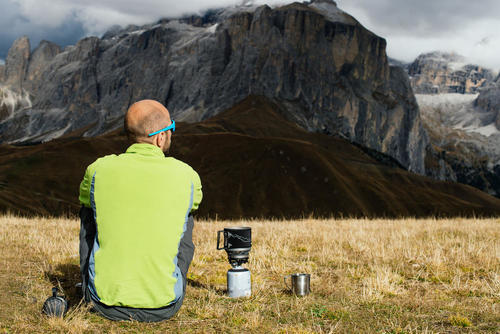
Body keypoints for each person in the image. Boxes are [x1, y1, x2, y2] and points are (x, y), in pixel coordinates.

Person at [78, 99, 202, 322]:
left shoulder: (97, 170)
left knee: (89, 208)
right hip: (165, 305)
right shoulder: (188, 176)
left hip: (101, 304)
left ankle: (93, 281)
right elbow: (195, 204)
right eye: (171, 127)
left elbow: (85, 200)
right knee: (187, 213)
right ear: (160, 136)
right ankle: (165, 283)